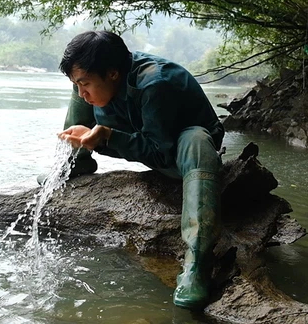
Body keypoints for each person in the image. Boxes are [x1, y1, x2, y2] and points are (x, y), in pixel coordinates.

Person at [55, 30, 224, 309]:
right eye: (77, 83)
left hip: (179, 149)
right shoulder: (98, 86)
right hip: (140, 132)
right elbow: (90, 96)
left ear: (112, 73)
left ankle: (197, 264)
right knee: (84, 95)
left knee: (197, 141)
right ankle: (77, 161)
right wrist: (96, 136)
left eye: (86, 83)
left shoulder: (155, 83)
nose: (83, 93)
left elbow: (160, 152)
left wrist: (108, 136)